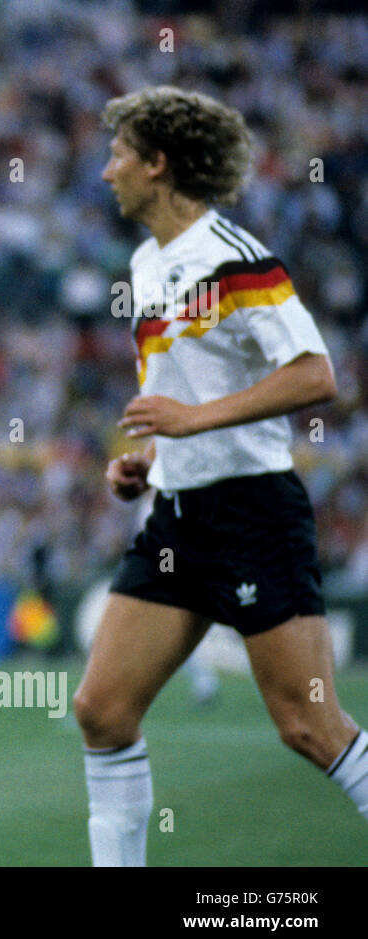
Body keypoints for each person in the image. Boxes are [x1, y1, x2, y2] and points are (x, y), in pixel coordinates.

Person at [74, 85, 367, 866]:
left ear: (158, 163)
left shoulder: (235, 259)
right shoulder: (144, 264)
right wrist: (150, 460)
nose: (107, 173)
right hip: (178, 514)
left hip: (253, 513)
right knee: (101, 710)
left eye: (119, 155)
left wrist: (191, 423)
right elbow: (182, 394)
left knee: (310, 726)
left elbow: (315, 376)